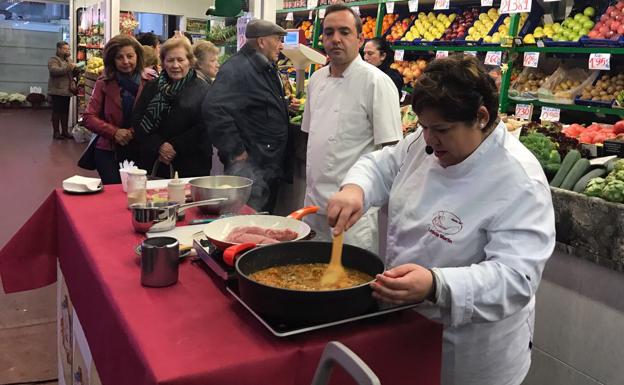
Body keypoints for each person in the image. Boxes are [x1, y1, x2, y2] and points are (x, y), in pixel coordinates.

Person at [327, 55, 556, 385]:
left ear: (480, 117)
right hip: (406, 324)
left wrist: (437, 285)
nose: (430, 141)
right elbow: (381, 165)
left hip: (467, 351)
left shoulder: (519, 182)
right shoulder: (426, 141)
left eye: (442, 130)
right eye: (424, 128)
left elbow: (515, 278)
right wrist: (355, 189)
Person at [301, 4, 403, 253]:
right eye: (329, 32)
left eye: (344, 32)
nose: (335, 39)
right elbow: (313, 139)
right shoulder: (316, 81)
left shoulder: (376, 82)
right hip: (313, 206)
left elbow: (391, 150)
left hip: (353, 213)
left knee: (348, 282)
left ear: (360, 38)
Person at [202, 19, 291, 212]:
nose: (281, 45)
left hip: (266, 161)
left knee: (262, 218)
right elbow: (213, 108)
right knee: (247, 218)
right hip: (250, 164)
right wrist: (235, 149)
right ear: (261, 42)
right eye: (277, 39)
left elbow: (257, 102)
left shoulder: (263, 66)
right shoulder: (238, 69)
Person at [132, 37, 211, 178]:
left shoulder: (203, 89)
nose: (175, 65)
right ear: (163, 62)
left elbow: (204, 125)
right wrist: (160, 146)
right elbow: (137, 119)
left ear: (190, 61)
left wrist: (174, 146)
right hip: (154, 159)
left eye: (180, 60)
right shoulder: (152, 86)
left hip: (191, 163)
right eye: (170, 60)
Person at [83, 35, 149, 184]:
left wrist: (131, 132)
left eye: (130, 56)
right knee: (113, 193)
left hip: (140, 147)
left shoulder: (150, 82)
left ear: (138, 56)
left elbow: (154, 116)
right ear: (112, 59)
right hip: (108, 149)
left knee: (138, 192)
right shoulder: (103, 82)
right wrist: (114, 132)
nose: (126, 61)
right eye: (120, 57)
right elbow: (88, 117)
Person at [48, 41, 79, 140]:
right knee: (57, 111)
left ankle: (65, 132)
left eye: (68, 49)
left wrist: (76, 70)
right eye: (65, 49)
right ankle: (56, 132)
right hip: (56, 90)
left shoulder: (69, 60)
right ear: (59, 49)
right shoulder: (53, 60)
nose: (67, 51)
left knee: (65, 112)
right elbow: (54, 71)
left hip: (66, 91)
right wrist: (68, 67)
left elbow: (71, 74)